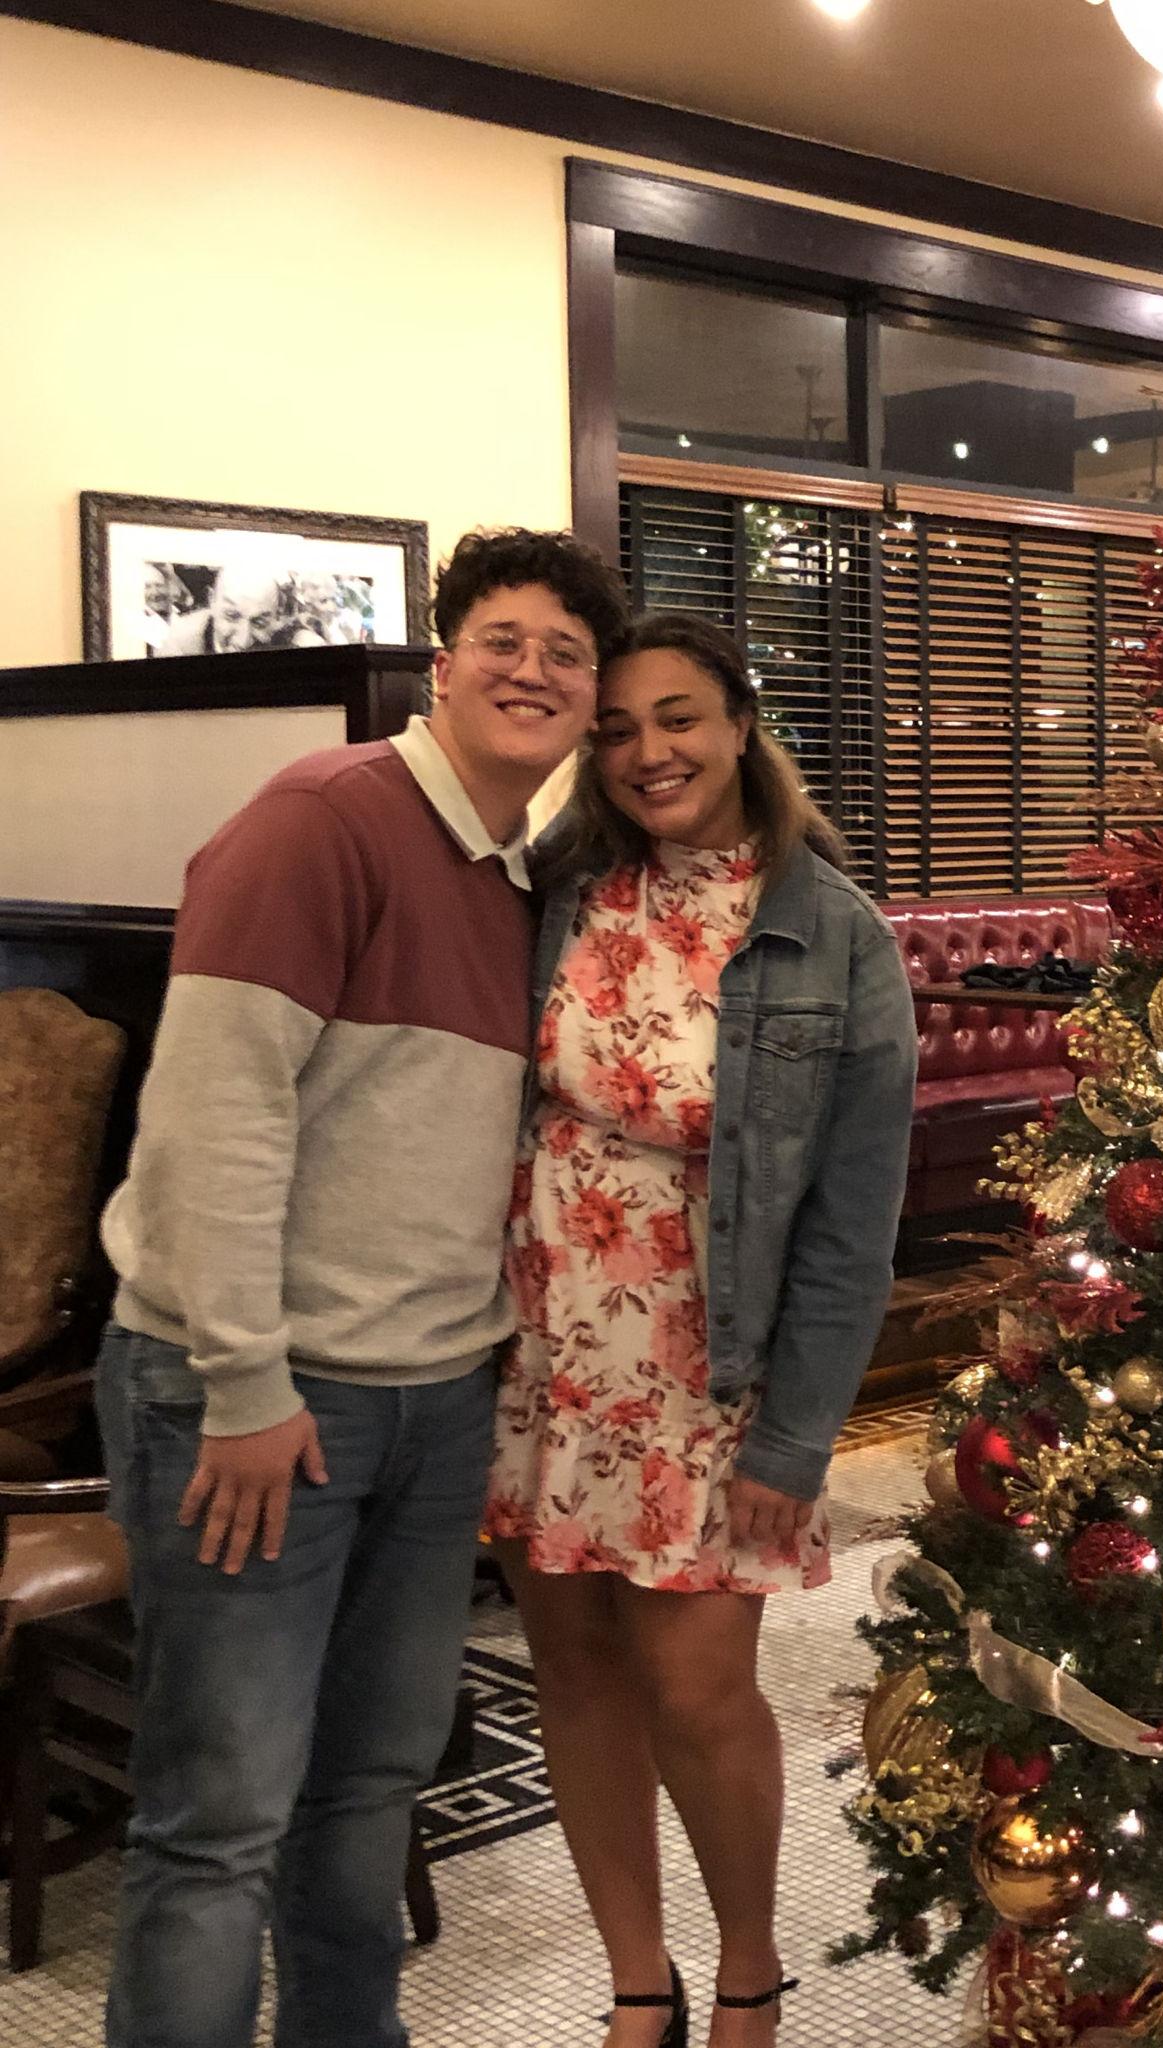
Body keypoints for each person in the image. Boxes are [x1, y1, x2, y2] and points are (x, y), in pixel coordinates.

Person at [95, 528, 630, 2048]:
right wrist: (244, 1383)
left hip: (434, 1399)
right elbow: (212, 1121)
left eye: (567, 654)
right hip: (262, 1397)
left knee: (371, 1790)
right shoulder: (322, 819)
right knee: (220, 1819)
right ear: (442, 664)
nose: (533, 670)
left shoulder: (527, 879)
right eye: (503, 640)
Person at [486, 611, 917, 2048]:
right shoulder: (559, 890)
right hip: (540, 1353)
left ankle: (747, 1975)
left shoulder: (832, 932)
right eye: (614, 728)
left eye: (677, 717)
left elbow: (852, 1225)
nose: (646, 751)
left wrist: (799, 1437)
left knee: (698, 1688)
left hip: (707, 1369)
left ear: (740, 724)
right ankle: (636, 1982)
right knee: (575, 1673)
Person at [155, 562, 294, 654]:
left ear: (277, 617)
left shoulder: (289, 638)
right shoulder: (176, 645)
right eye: (232, 616)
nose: (242, 641)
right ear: (211, 601)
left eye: (259, 622)